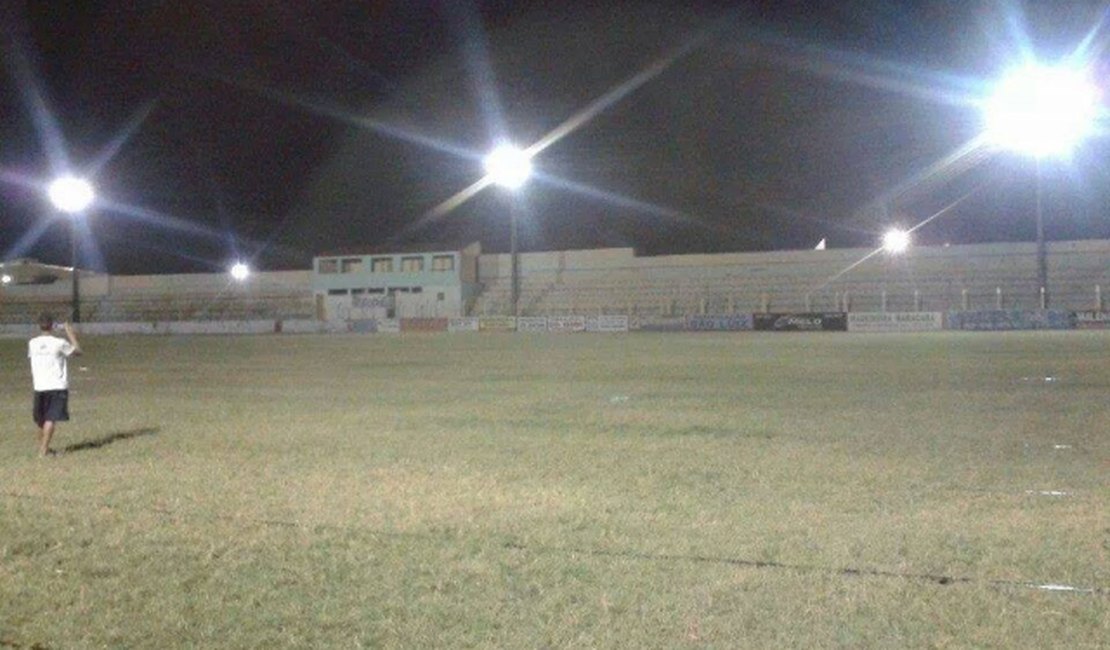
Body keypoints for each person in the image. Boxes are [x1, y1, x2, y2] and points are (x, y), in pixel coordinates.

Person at [28, 313, 82, 457]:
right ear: (53, 326)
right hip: (56, 385)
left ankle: (43, 448)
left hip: (39, 385)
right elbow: (77, 351)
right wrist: (69, 332)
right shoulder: (59, 342)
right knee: (51, 418)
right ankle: (43, 451)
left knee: (41, 420)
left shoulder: (32, 343)